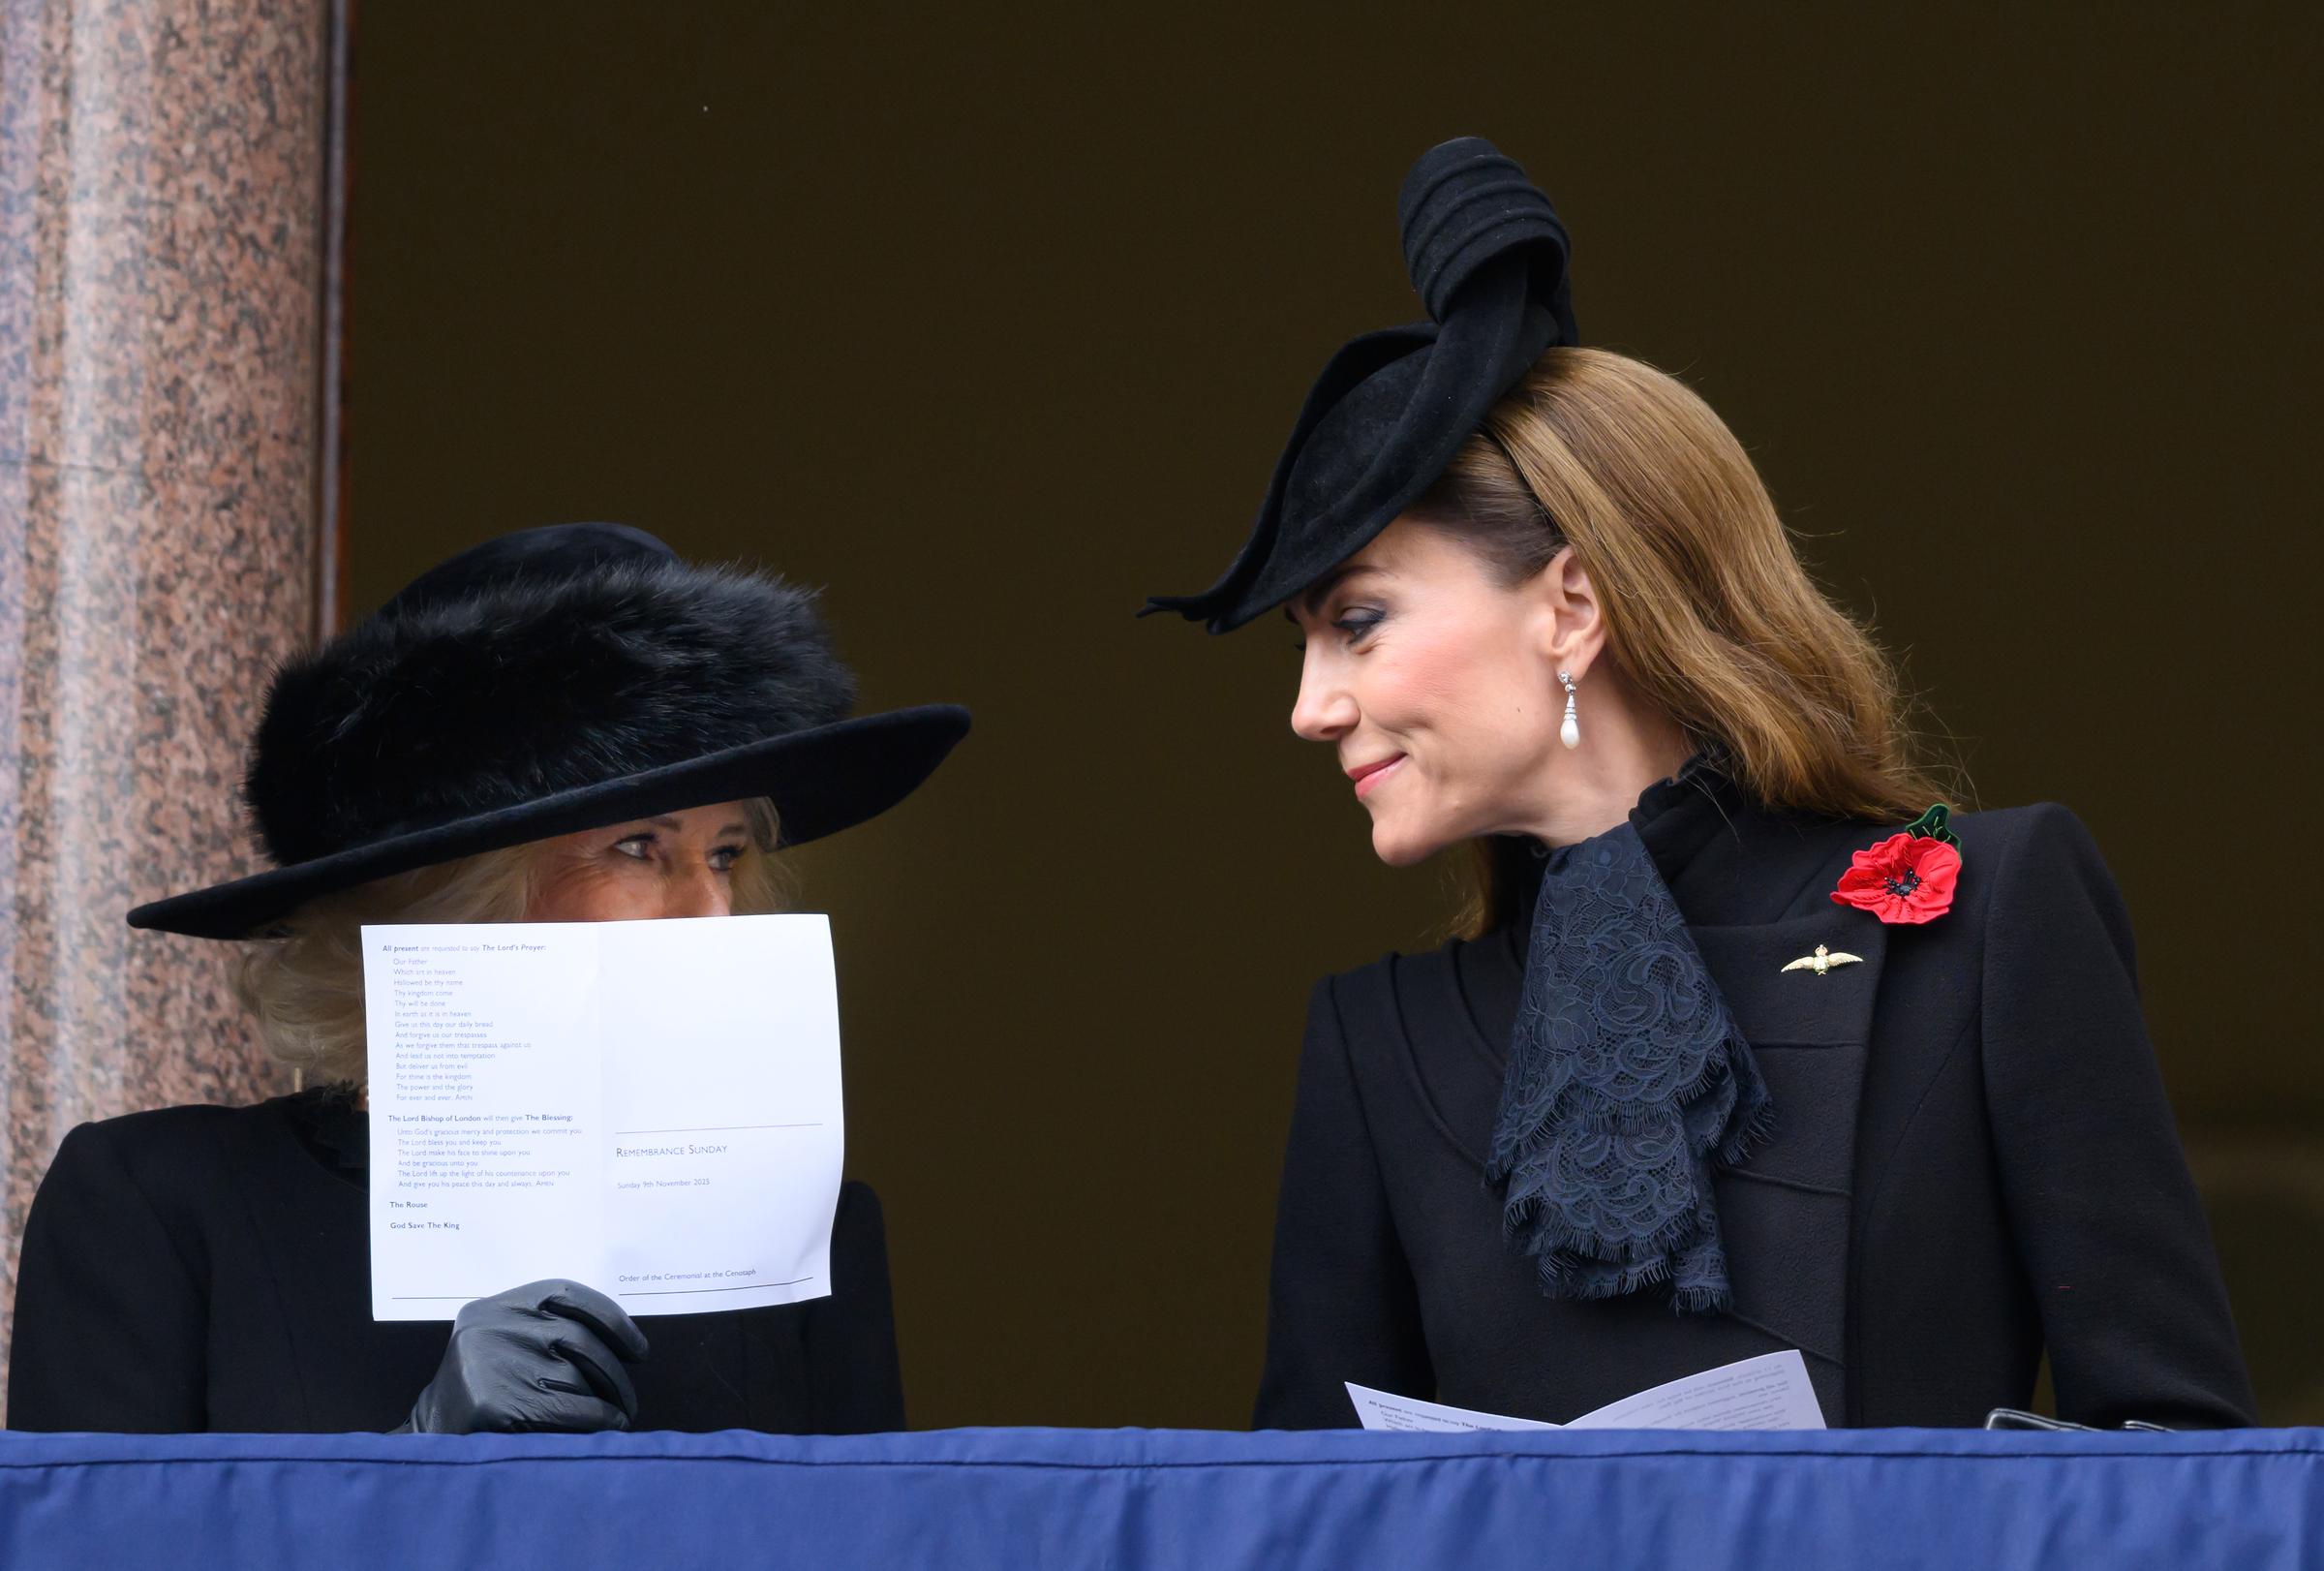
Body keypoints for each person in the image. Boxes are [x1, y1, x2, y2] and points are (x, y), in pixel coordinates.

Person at [1146, 139, 2254, 1429]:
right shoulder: (1373, 1042)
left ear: (1570, 605)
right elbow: (1307, 1529)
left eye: (1361, 620)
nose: (1311, 706)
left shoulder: (1992, 911)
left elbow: (2190, 1469)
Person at [8, 522, 969, 1434]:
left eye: (724, 853)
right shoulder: (161, 1205)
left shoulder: (803, 1235)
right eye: (640, 846)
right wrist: (416, 1457)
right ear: (456, 897)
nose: (711, 908)